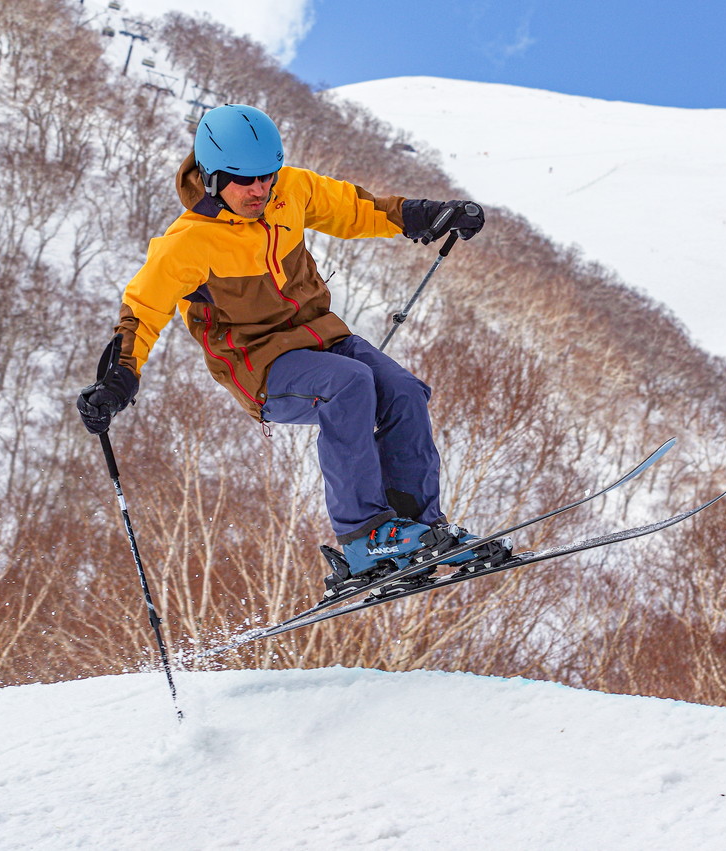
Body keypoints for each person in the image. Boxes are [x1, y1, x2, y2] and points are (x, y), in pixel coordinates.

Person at [76, 104, 506, 599]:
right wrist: (117, 380)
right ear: (213, 178)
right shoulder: (186, 244)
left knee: (405, 392)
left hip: (323, 337)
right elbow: (141, 311)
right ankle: (364, 538)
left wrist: (427, 215)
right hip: (259, 364)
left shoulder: (290, 192)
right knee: (348, 386)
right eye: (243, 181)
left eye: (266, 176)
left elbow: (356, 209)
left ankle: (418, 531)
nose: (259, 190)